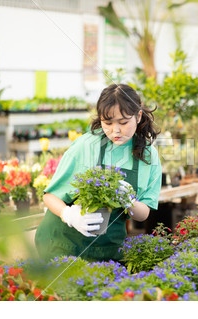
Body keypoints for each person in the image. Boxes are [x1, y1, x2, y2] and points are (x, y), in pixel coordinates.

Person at [35, 84, 162, 262]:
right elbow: (49, 197)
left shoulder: (148, 156)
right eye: (107, 123)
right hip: (62, 244)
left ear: (138, 116)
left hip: (106, 250)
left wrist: (129, 201)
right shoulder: (86, 145)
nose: (115, 131)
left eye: (123, 122)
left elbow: (143, 214)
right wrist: (70, 215)